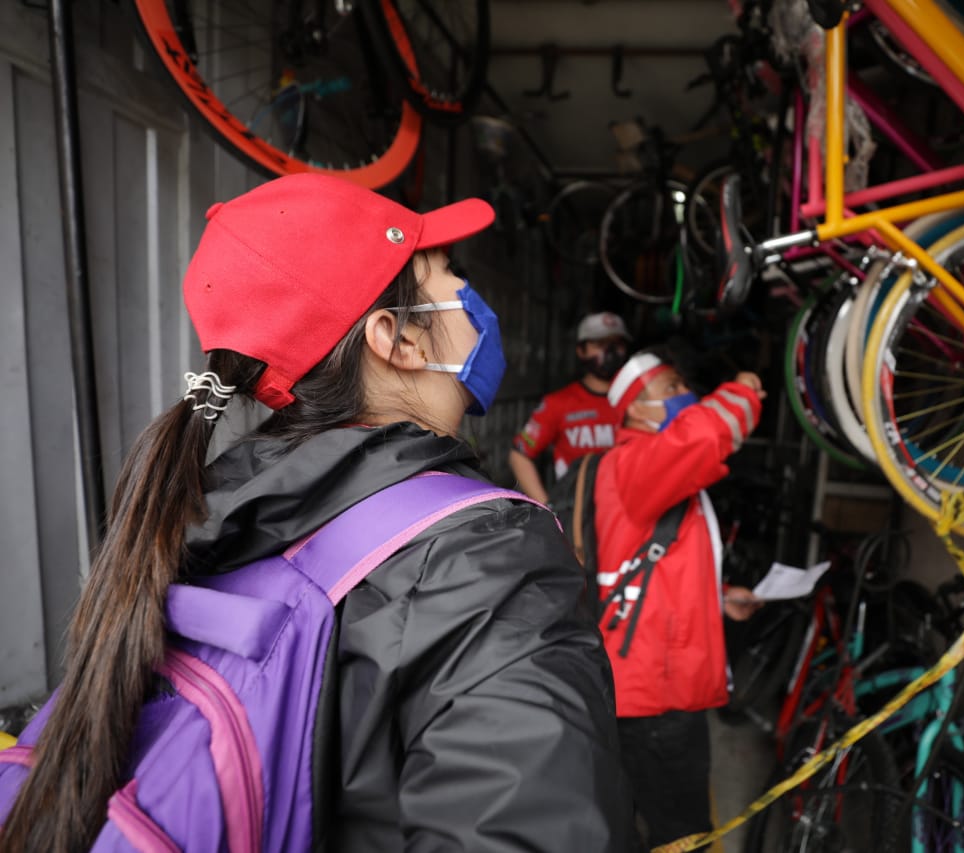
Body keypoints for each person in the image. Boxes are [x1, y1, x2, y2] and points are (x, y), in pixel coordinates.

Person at [0, 174, 631, 852]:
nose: (470, 298)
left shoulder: (214, 521)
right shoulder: (485, 558)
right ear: (398, 339)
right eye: (449, 274)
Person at [593, 350, 767, 848]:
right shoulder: (638, 460)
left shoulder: (643, 466)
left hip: (651, 688)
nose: (683, 395)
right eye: (669, 389)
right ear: (634, 410)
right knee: (682, 835)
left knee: (655, 823)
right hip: (655, 702)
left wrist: (716, 600)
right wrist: (744, 388)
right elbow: (709, 433)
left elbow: (652, 572)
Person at [508, 312, 631, 503]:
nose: (610, 352)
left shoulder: (639, 402)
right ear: (581, 351)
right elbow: (520, 455)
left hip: (627, 509)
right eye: (599, 345)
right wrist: (548, 507)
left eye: (617, 344)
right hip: (576, 511)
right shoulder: (558, 403)